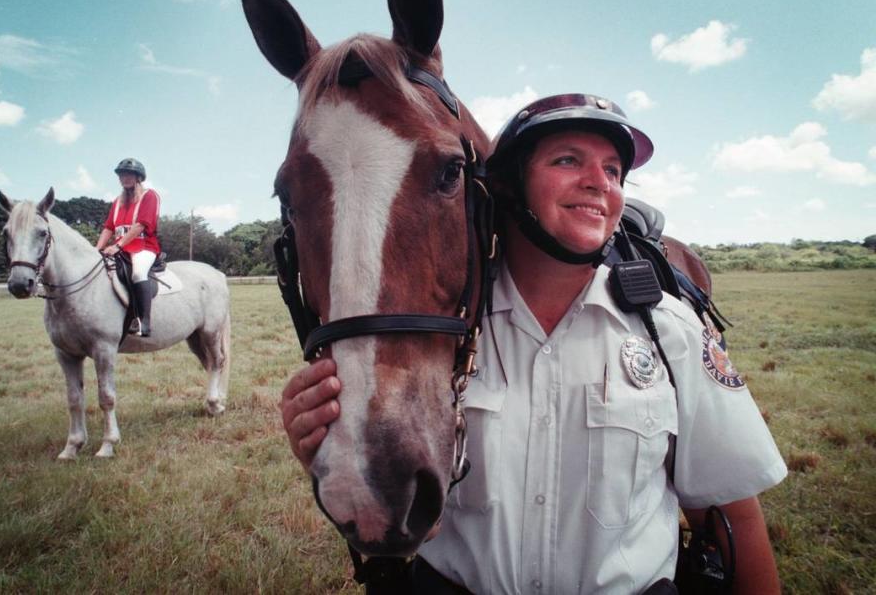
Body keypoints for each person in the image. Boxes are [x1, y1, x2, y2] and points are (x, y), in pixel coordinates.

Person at [280, 94, 787, 594]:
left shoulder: (669, 330)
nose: (600, 183)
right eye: (568, 160)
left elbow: (732, 519)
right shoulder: (439, 332)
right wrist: (332, 444)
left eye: (613, 171)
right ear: (507, 184)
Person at [96, 157, 161, 337]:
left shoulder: (149, 196)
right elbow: (109, 227)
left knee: (138, 273)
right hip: (121, 248)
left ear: (138, 177)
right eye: (122, 175)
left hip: (144, 247)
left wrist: (117, 246)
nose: (125, 178)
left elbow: (140, 224)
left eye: (129, 175)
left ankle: (144, 321)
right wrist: (96, 250)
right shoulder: (118, 201)